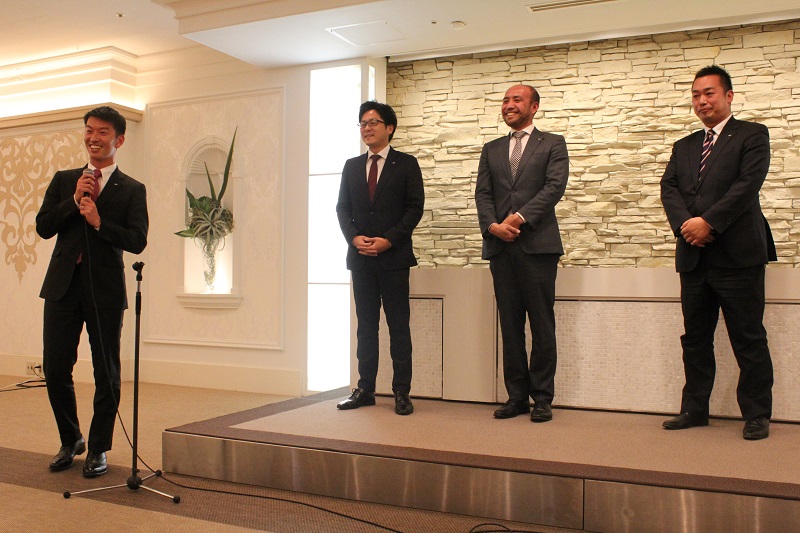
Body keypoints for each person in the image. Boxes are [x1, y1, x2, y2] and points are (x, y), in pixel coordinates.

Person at [660, 65, 775, 440]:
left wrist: (708, 222)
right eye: (695, 95)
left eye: (709, 93)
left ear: (728, 96)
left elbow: (747, 186)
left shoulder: (752, 135)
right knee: (694, 338)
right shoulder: (684, 146)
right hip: (694, 256)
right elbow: (669, 188)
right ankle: (694, 409)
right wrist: (686, 225)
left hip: (739, 255)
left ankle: (756, 413)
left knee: (748, 338)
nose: (701, 101)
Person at [36, 106, 149, 476]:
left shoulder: (132, 189)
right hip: (62, 288)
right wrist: (73, 201)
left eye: (102, 132)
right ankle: (71, 439)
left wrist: (100, 223)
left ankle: (98, 448)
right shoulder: (66, 180)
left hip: (104, 290)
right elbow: (43, 226)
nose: (93, 138)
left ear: (119, 140)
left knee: (106, 372)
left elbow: (137, 240)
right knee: (55, 369)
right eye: (89, 130)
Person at [475, 84, 569, 422]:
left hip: (537, 246)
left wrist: (518, 217)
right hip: (501, 248)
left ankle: (542, 398)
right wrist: (492, 226)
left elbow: (554, 187)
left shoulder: (553, 143)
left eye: (517, 99)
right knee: (510, 325)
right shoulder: (491, 149)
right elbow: (483, 194)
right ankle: (516, 397)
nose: (509, 105)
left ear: (534, 107)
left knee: (542, 325)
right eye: (505, 100)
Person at [335, 101, 425, 415]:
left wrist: (389, 240)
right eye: (362, 123)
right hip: (361, 258)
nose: (367, 128)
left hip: (394, 258)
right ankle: (365, 389)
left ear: (390, 127)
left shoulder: (407, 164)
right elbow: (342, 208)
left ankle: (402, 392)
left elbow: (414, 208)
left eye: (373, 122)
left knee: (399, 327)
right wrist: (353, 237)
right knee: (365, 327)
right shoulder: (351, 165)